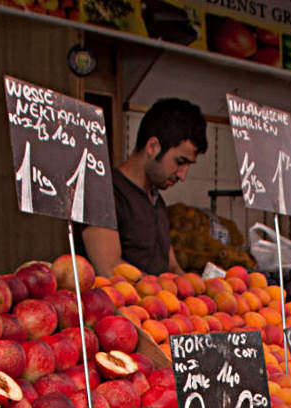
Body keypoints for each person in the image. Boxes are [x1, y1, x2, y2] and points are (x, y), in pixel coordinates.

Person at [81, 98, 207, 276]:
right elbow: (109, 268)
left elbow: (172, 268)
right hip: (120, 303)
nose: (182, 175)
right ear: (152, 147)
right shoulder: (104, 194)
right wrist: (165, 292)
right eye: (180, 162)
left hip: (161, 302)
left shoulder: (156, 200)